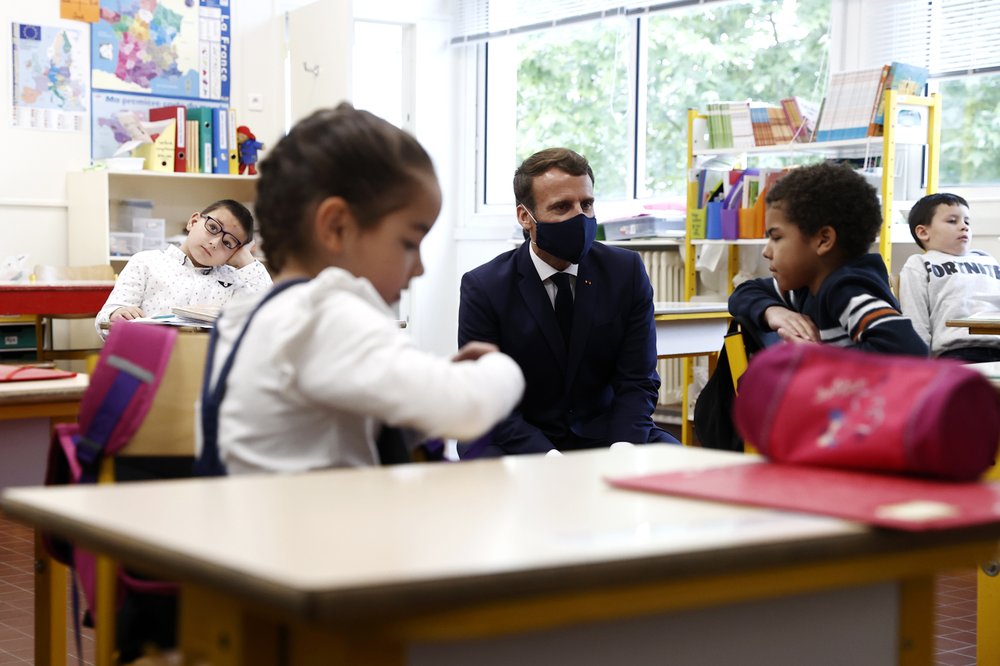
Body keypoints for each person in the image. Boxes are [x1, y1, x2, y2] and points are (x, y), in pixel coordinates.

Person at [200, 103, 525, 474]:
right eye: (408, 243)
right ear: (336, 227)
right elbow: (467, 409)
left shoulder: (250, 316)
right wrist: (502, 367)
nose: (419, 268)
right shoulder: (325, 314)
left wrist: (416, 384)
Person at [457, 147, 677, 457]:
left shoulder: (625, 272)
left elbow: (638, 379)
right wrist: (547, 458)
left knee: (672, 458)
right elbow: (489, 400)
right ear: (525, 217)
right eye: (562, 207)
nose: (580, 217)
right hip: (519, 437)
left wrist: (623, 448)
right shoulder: (484, 287)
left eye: (586, 204)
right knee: (486, 466)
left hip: (605, 432)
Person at [728, 162, 928, 356]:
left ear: (823, 240)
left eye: (776, 237)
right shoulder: (804, 288)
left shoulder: (846, 290)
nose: (766, 251)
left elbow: (909, 350)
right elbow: (744, 292)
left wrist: (821, 358)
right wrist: (773, 311)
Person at [94, 199, 272, 337]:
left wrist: (246, 261)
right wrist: (116, 314)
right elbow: (103, 321)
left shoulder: (233, 280)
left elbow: (271, 311)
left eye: (228, 243)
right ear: (193, 221)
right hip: (147, 364)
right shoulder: (145, 262)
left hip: (203, 368)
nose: (215, 242)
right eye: (212, 227)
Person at [898, 193, 1000, 362]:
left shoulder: (987, 259)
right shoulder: (920, 263)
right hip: (958, 351)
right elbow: (916, 320)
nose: (964, 227)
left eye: (967, 222)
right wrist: (921, 365)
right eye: (952, 221)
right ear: (923, 232)